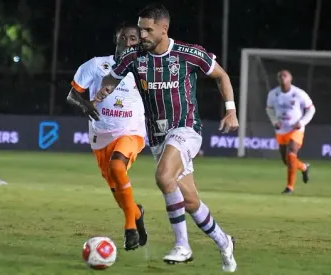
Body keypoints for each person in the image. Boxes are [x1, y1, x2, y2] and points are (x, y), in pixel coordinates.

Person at [92, 3, 238, 272]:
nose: (142, 35)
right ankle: (224, 242)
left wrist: (230, 111)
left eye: (148, 30)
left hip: (186, 129)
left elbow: (221, 75)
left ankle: (182, 245)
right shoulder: (133, 57)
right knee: (191, 201)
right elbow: (111, 79)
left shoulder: (189, 54)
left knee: (162, 177)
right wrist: (103, 92)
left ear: (163, 29)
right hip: (158, 138)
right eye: (141, 29)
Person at [66, 23, 147, 250]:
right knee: (118, 194)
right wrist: (84, 106)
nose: (129, 42)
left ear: (139, 43)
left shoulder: (144, 68)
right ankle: (136, 213)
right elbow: (72, 95)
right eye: (125, 37)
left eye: (134, 38)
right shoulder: (96, 65)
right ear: (117, 39)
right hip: (100, 136)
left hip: (131, 131)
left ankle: (130, 229)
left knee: (117, 168)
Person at [266, 70, 315, 194]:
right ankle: (304, 167)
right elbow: (269, 110)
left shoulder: (299, 93)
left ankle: (289, 187)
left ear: (290, 78)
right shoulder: (273, 94)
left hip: (295, 129)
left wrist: (302, 122)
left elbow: (311, 109)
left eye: (285, 75)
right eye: (280, 76)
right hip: (281, 130)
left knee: (291, 154)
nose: (282, 77)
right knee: (286, 161)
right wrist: (274, 121)